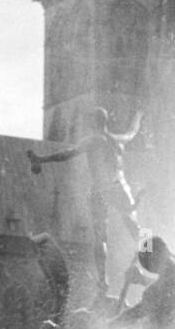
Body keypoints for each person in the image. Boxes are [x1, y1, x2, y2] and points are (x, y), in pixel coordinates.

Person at [27, 108, 144, 290]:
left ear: (94, 123)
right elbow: (132, 132)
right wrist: (138, 115)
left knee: (100, 237)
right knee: (138, 229)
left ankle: (103, 282)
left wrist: (41, 159)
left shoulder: (93, 140)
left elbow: (67, 154)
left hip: (100, 190)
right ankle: (151, 260)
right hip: (119, 186)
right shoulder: (117, 139)